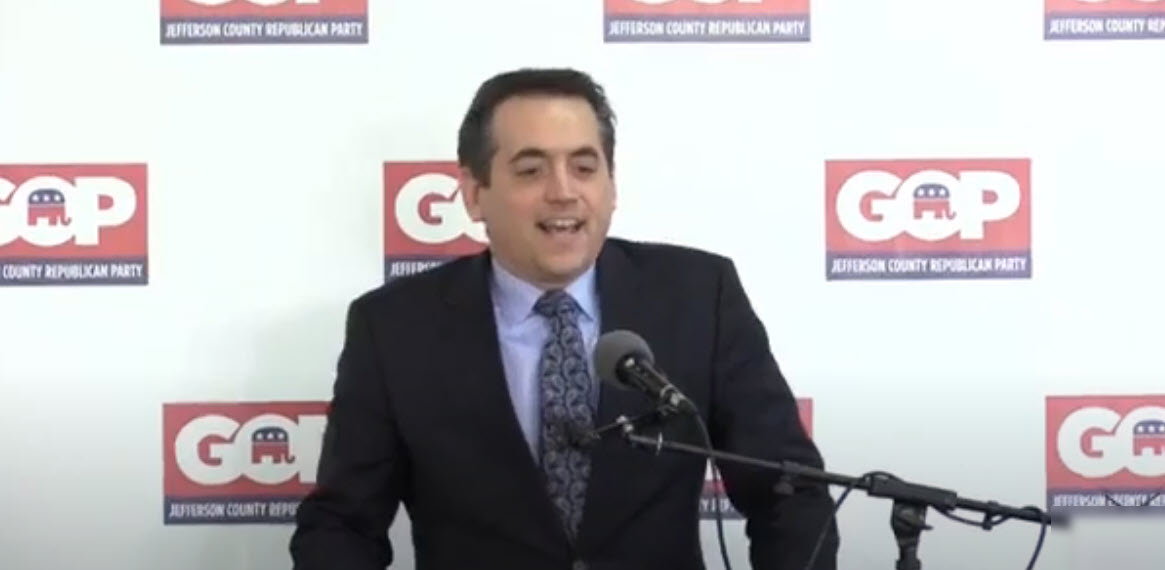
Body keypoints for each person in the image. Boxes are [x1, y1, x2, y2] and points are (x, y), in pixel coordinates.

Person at [289, 67, 839, 570]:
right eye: (531, 170)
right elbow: (343, 526)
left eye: (584, 167)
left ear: (611, 186)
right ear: (475, 194)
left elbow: (790, 492)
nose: (563, 192)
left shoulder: (699, 296)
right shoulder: (394, 329)